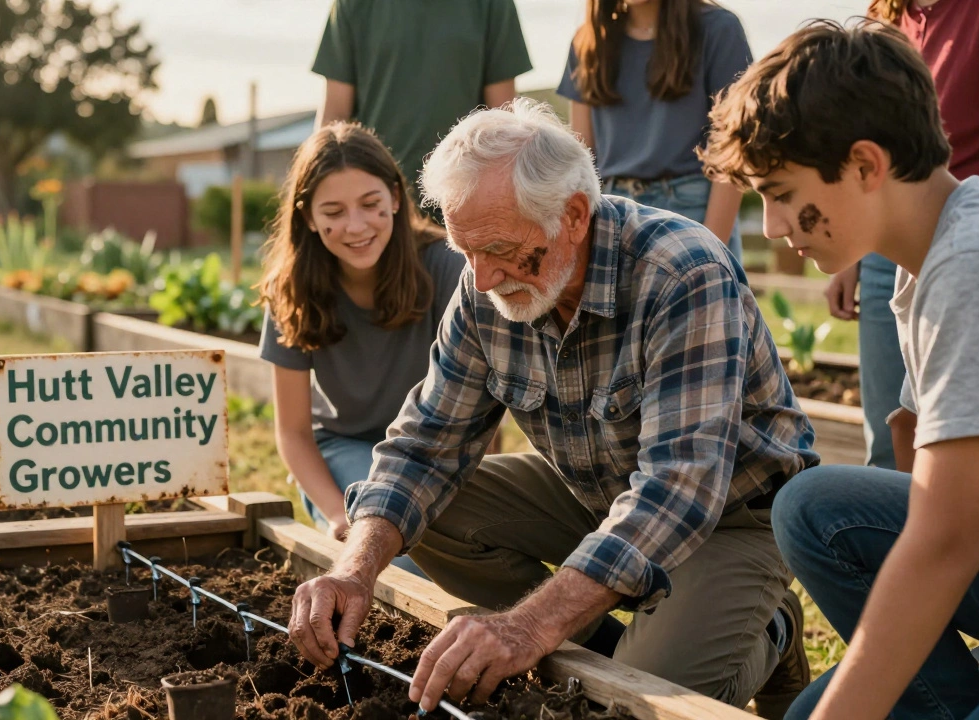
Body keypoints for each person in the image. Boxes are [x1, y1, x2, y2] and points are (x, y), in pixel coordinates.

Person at [286, 99, 820, 719]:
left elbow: (678, 488)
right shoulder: (486, 282)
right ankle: (605, 648)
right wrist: (354, 569)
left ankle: (770, 632)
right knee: (430, 510)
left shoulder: (680, 273)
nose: (481, 279)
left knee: (638, 705)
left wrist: (527, 628)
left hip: (728, 516)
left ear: (572, 216)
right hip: (598, 495)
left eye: (499, 251)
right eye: (466, 251)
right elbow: (426, 443)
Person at [701, 20, 979, 720]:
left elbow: (945, 543)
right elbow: (920, 473)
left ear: (866, 165)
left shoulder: (972, 264)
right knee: (814, 506)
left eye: (779, 192)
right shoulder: (926, 262)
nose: (772, 226)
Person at [256, 123, 466, 575]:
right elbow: (293, 433)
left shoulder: (447, 268)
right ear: (309, 217)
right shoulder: (290, 290)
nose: (355, 226)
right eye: (333, 211)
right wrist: (336, 515)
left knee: (467, 556)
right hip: (346, 451)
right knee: (398, 558)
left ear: (394, 196)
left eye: (370, 205)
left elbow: (483, 406)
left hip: (433, 454)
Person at [824, 0, 979, 471]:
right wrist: (849, 256)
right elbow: (856, 135)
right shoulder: (886, 14)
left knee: (956, 436)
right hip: (887, 247)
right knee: (890, 431)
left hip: (973, 245)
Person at [556, 0, 752, 260]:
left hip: (692, 215)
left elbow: (733, 153)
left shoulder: (719, 29)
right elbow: (581, 161)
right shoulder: (588, 41)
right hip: (613, 220)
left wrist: (710, 250)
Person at [311, 0, 532, 199]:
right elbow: (335, 117)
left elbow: (503, 122)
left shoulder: (492, 5)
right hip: (378, 202)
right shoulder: (352, 5)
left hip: (462, 199)